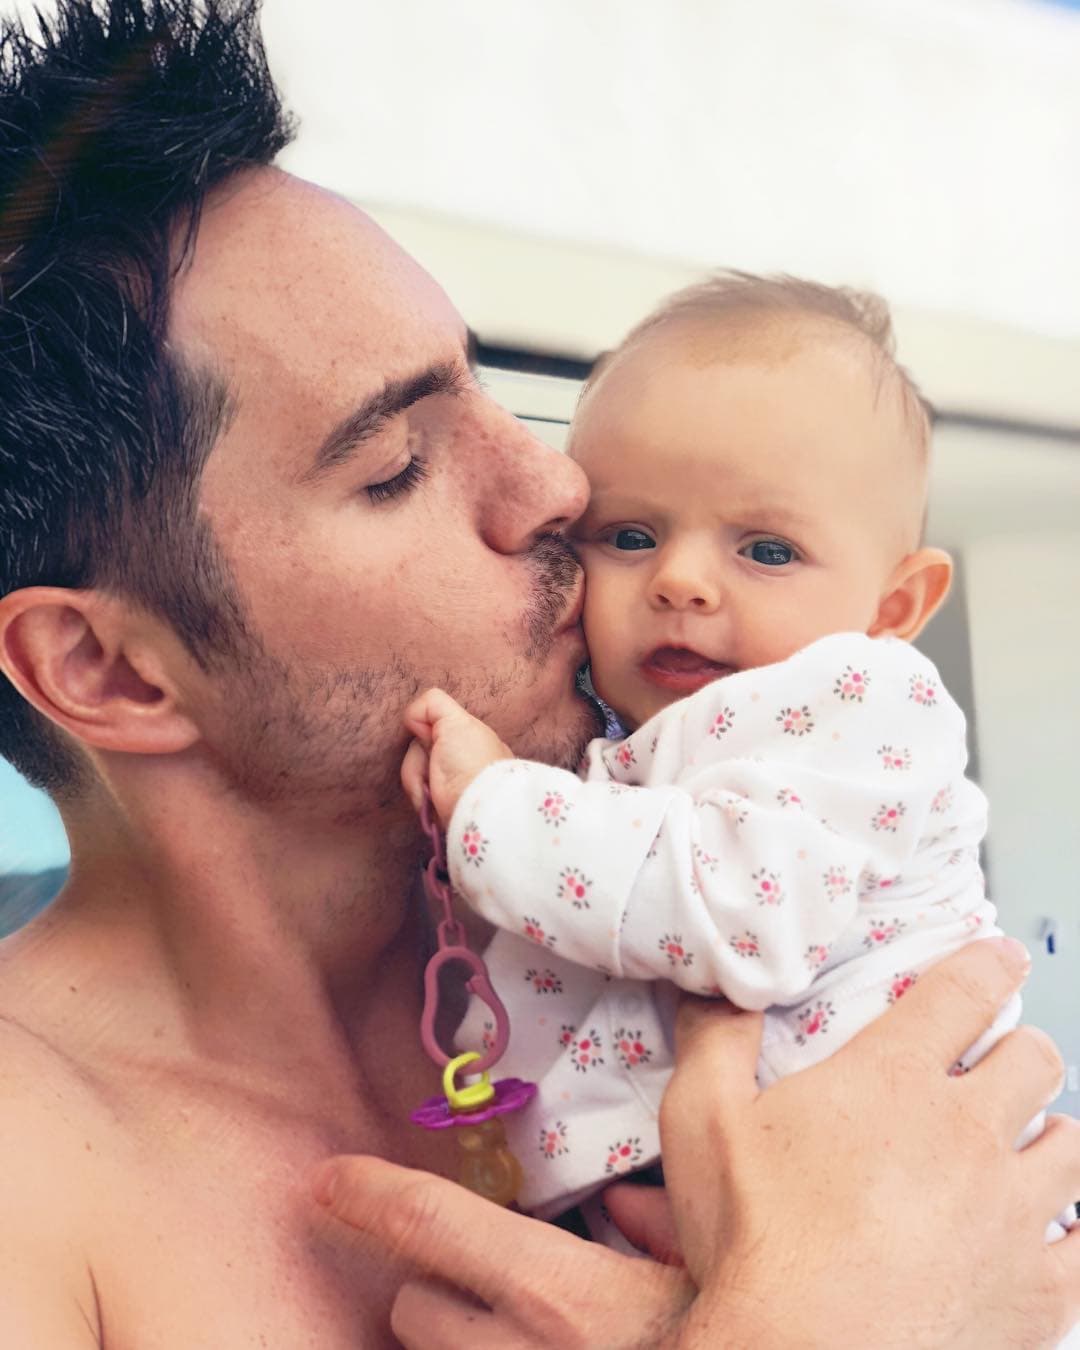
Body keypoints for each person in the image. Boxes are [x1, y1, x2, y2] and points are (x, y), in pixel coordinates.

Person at [0, 2, 1077, 1346]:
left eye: (495, 397)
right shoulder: (32, 1184)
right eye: (395, 466)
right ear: (108, 667)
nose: (559, 485)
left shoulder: (722, 897)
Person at [397, 275, 1070, 1233]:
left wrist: (494, 808)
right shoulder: (626, 742)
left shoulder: (867, 705)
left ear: (894, 607)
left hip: (907, 1212)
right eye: (630, 535)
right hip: (736, 1212)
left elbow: (742, 914)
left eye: (767, 550)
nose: (680, 581)